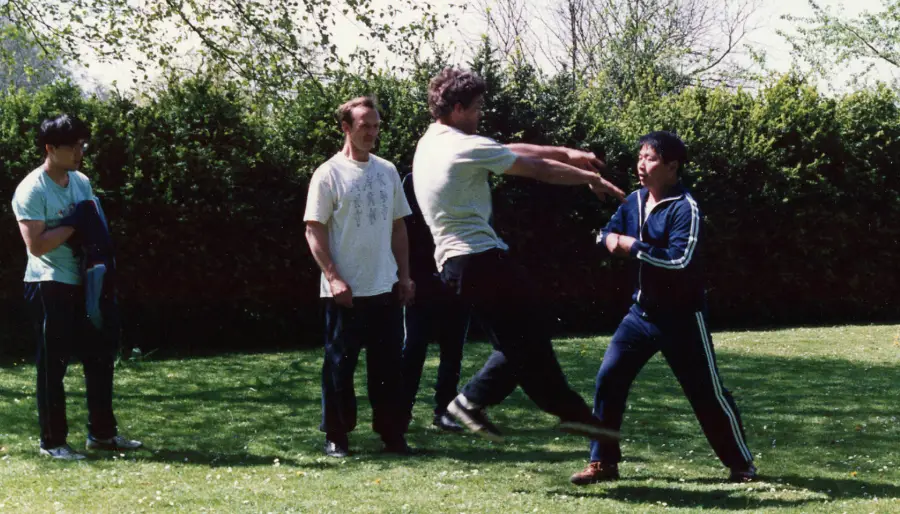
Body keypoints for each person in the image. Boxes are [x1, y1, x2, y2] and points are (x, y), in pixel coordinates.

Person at [412, 67, 625, 443]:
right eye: (477, 108)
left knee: (522, 341)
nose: (481, 115)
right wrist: (590, 178)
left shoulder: (434, 141)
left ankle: (568, 414)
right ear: (458, 108)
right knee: (528, 338)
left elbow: (512, 149)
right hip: (479, 258)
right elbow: (537, 169)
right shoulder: (462, 146)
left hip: (458, 263)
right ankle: (478, 403)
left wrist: (568, 153)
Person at [570, 131, 756, 485]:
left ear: (672, 167)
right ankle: (603, 462)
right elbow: (604, 234)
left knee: (706, 393)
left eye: (651, 158)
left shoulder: (686, 208)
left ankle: (741, 465)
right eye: (640, 157)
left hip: (683, 319)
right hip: (640, 316)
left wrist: (631, 246)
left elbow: (678, 260)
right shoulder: (634, 201)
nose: (642, 165)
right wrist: (609, 239)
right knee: (609, 379)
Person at [11, 114, 142, 460]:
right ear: (50, 148)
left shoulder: (81, 181)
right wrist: (74, 223)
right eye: (72, 147)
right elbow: (37, 245)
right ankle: (52, 442)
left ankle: (102, 435)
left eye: (82, 145)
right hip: (48, 283)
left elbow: (94, 226)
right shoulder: (32, 189)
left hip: (86, 281)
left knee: (100, 357)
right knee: (53, 366)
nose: (79, 153)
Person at [304, 96, 415, 458]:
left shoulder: (387, 171)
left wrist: (404, 276)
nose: (371, 133)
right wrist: (334, 277)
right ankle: (337, 436)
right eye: (364, 126)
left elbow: (398, 228)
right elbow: (314, 230)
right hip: (344, 291)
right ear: (346, 128)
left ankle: (392, 435)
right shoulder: (328, 174)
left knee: (389, 368)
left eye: (376, 126)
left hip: (384, 286)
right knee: (339, 366)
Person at [400, 171, 469, 433]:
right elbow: (403, 231)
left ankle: (444, 411)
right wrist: (406, 276)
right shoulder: (412, 181)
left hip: (456, 275)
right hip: (421, 277)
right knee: (414, 346)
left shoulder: (466, 179)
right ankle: (402, 411)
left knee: (453, 348)